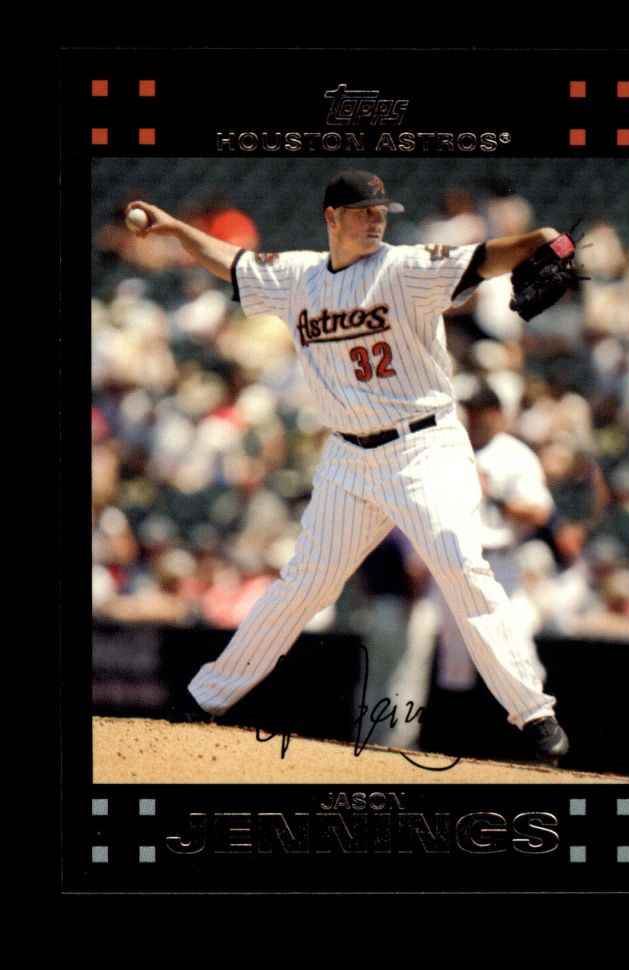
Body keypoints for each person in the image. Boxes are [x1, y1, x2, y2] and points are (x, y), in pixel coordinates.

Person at [125, 168, 570, 764]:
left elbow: (486, 256)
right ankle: (206, 697)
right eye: (363, 211)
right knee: (304, 583)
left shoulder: (405, 267)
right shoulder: (297, 277)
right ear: (331, 217)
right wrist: (179, 230)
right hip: (348, 457)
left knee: (460, 564)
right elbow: (232, 264)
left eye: (381, 210)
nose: (376, 219)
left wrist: (541, 238)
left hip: (423, 447)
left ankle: (533, 712)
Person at [434, 384, 554, 696]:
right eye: (470, 410)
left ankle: (535, 720)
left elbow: (540, 512)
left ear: (498, 414)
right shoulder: (448, 450)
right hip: (454, 564)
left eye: (481, 411)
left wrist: (496, 497)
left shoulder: (514, 455)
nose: (474, 418)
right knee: (455, 663)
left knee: (518, 651)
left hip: (499, 565)